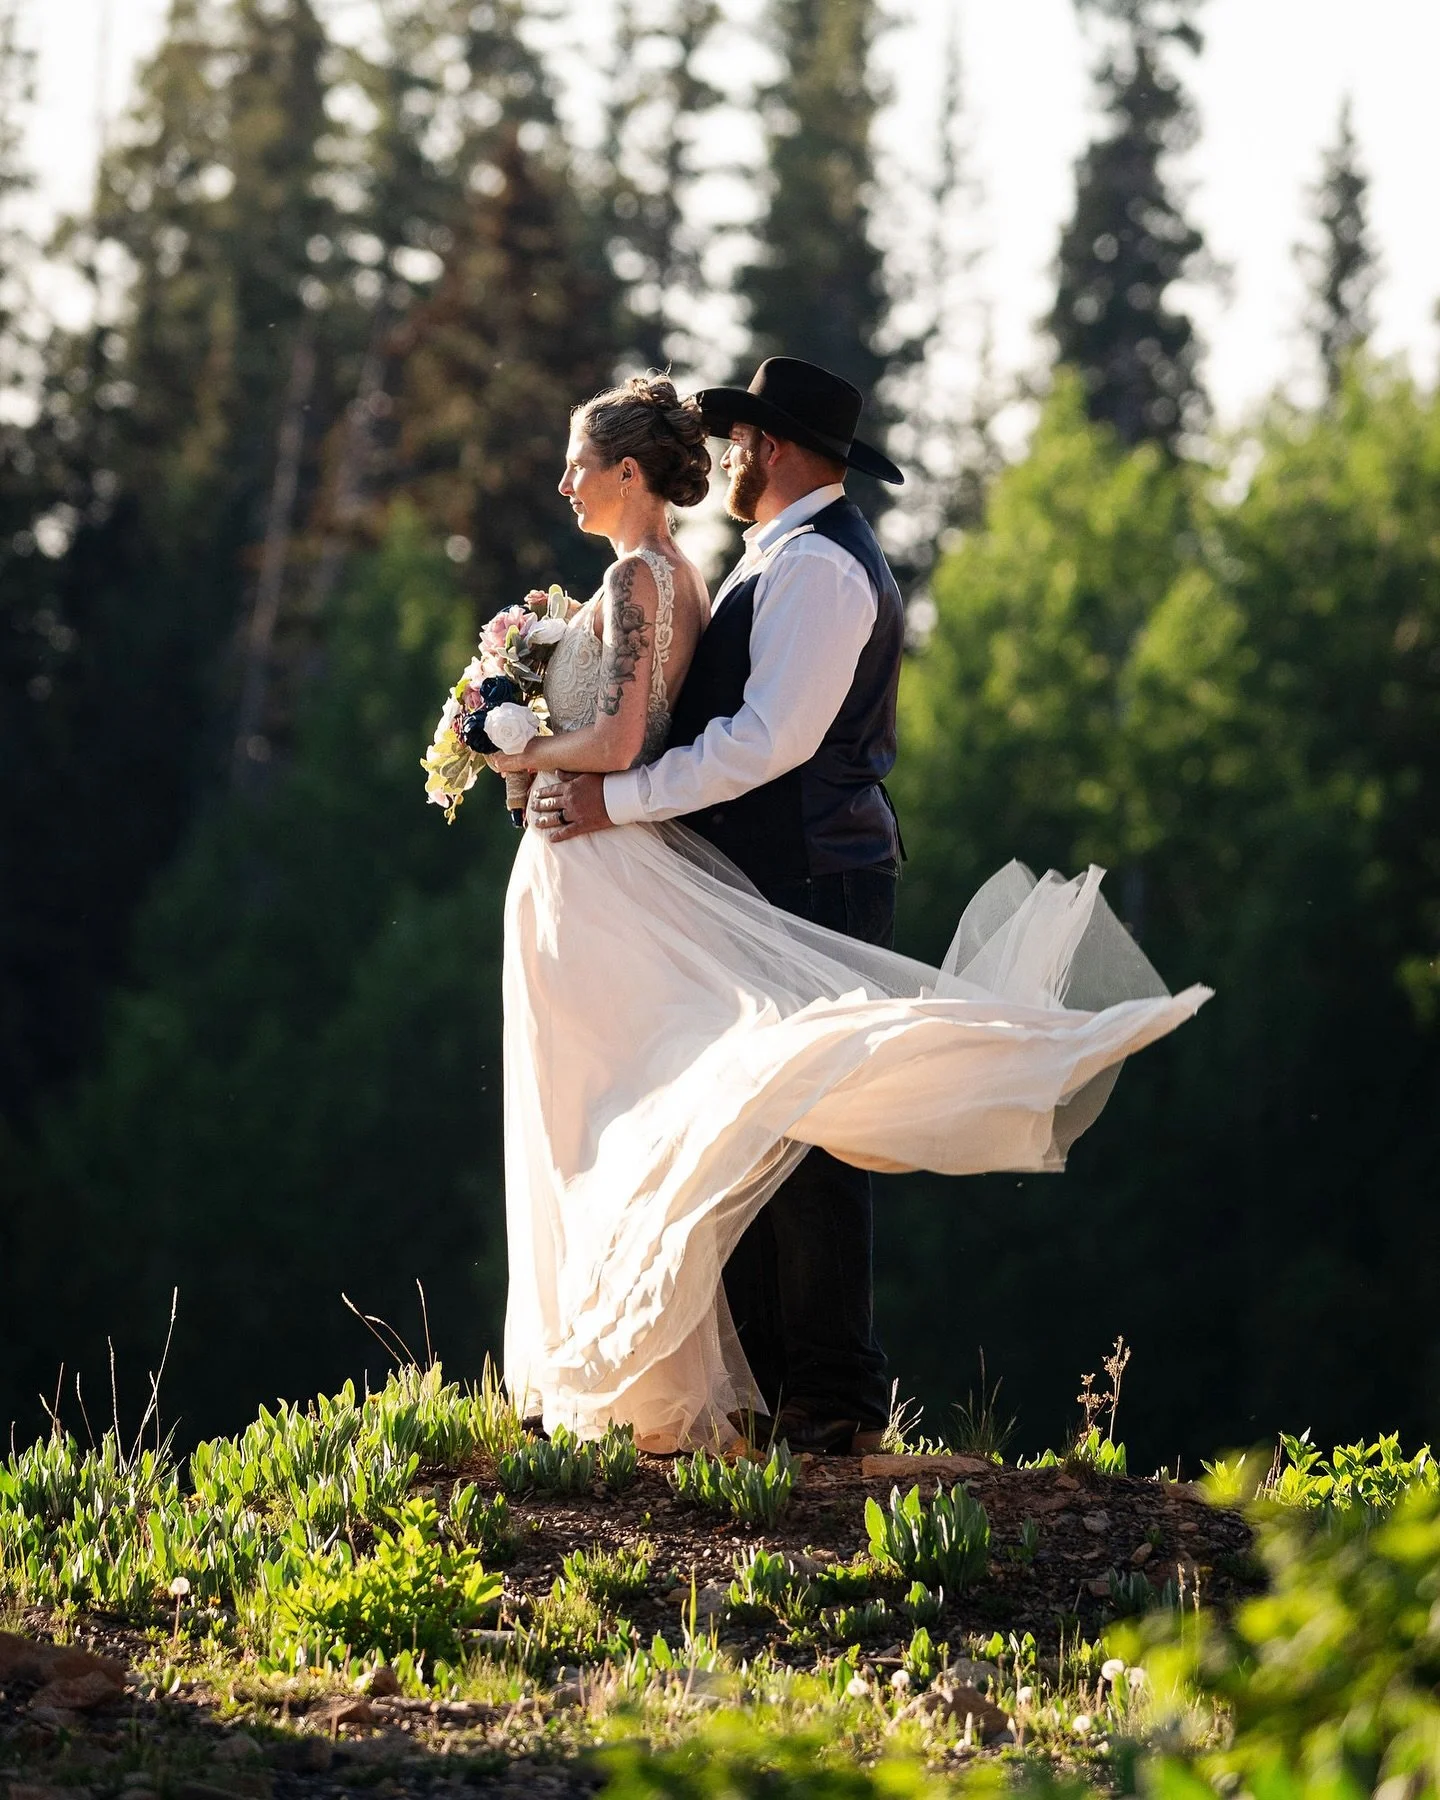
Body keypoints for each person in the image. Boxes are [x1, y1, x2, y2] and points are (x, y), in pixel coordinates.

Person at [493, 366, 1209, 1455]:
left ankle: (833, 1396)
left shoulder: (822, 569)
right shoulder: (774, 560)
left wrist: (617, 798)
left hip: (816, 870)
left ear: (774, 451)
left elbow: (768, 740)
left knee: (816, 1118)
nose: (724, 457)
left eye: (738, 442)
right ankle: (779, 1381)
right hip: (763, 867)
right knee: (752, 1112)